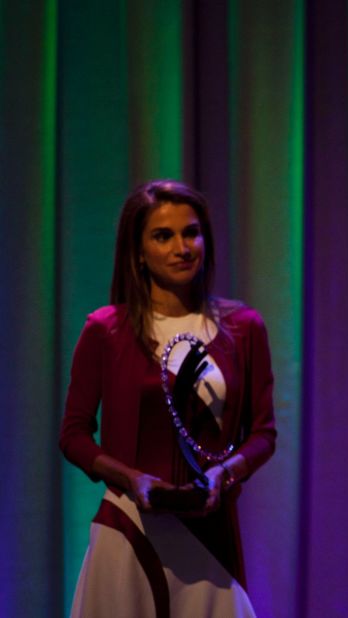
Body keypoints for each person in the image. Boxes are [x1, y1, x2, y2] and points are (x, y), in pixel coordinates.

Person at [59, 179, 277, 616]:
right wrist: (130, 479)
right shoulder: (106, 330)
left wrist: (224, 476)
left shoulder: (244, 326)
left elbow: (263, 434)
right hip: (129, 525)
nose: (182, 247)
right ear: (138, 251)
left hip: (210, 534)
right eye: (163, 236)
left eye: (191, 232)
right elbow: (74, 435)